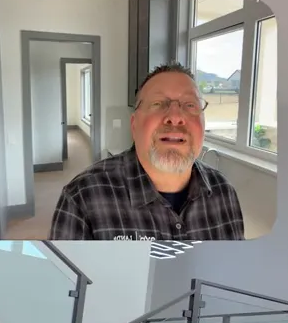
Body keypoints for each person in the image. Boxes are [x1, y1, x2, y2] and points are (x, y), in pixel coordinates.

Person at [49, 63, 245, 240]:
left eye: (189, 105)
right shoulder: (82, 198)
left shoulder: (224, 193)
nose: (175, 117)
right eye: (158, 104)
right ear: (134, 125)